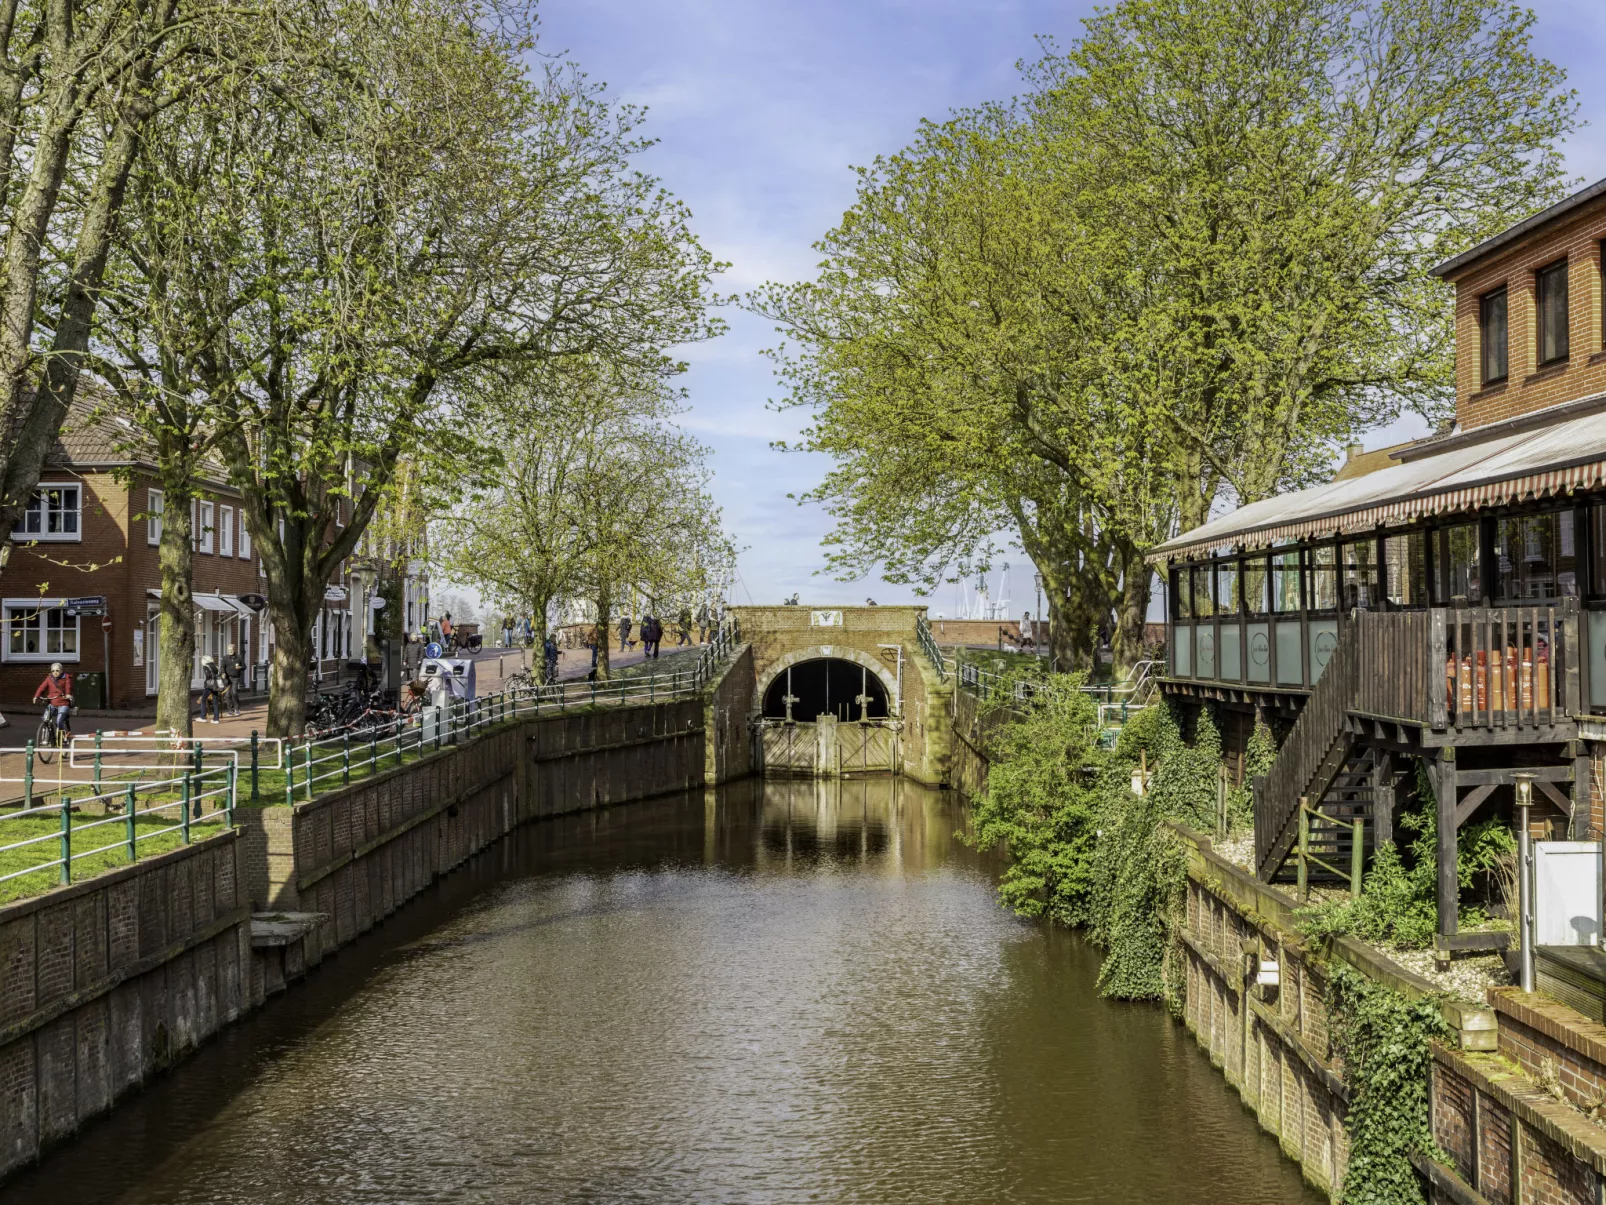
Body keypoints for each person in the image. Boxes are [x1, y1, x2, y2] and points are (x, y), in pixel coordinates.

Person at [32, 662, 73, 736]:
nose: (55, 672)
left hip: (63, 703)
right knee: (45, 719)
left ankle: (63, 736)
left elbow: (68, 687)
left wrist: (68, 694)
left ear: (61, 671)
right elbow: (42, 687)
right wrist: (36, 696)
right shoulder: (49, 678)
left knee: (59, 721)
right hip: (52, 703)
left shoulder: (66, 677)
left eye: (57, 670)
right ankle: (46, 736)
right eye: (53, 671)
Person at [198, 656, 224, 723]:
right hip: (216, 686)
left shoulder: (206, 666)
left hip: (210, 685)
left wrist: (207, 681)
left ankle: (203, 717)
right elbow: (218, 674)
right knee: (215, 701)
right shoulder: (215, 666)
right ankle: (216, 719)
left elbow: (208, 675)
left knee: (203, 699)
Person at [222, 643, 246, 715]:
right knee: (227, 695)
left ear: (234, 649)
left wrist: (240, 667)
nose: (230, 651)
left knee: (234, 693)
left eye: (231, 650)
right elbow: (222, 667)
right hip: (227, 678)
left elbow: (244, 666)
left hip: (235, 678)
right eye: (229, 650)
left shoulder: (239, 657)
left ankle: (237, 709)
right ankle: (230, 710)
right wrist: (223, 673)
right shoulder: (225, 658)